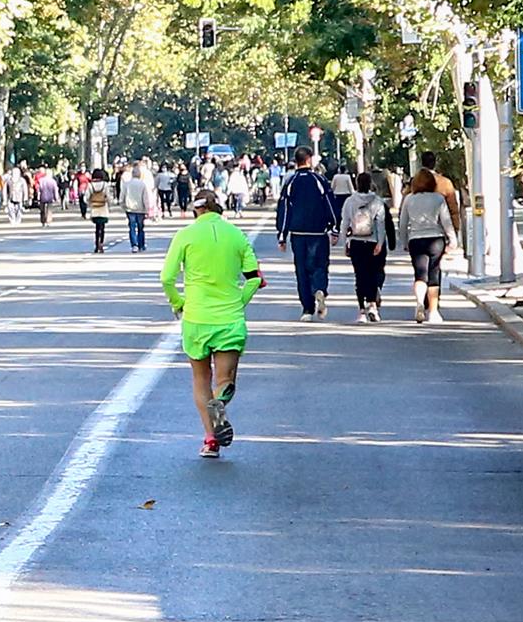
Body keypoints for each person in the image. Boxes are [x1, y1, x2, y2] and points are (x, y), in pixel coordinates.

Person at [160, 190, 265, 460]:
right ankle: (220, 403)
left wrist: (178, 303)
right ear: (218, 208)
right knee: (225, 380)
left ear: (197, 210)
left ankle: (210, 440)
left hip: (196, 319)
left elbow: (167, 278)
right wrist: (239, 302)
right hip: (229, 319)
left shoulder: (185, 235)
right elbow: (254, 278)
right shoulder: (237, 235)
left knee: (200, 378)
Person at [276, 147, 339, 321]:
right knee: (319, 265)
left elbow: (284, 209)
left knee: (302, 270)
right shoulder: (319, 180)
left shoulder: (290, 182)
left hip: (297, 233)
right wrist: (334, 228)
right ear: (309, 160)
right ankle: (319, 289)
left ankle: (307, 309)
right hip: (318, 232)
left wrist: (282, 235)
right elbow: (330, 204)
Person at [398, 169, 457, 323]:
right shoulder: (438, 199)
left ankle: (419, 303)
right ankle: (433, 311)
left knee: (419, 274)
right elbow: (446, 221)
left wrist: (404, 242)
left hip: (416, 240)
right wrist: (453, 239)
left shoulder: (409, 199)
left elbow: (403, 223)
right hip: (436, 240)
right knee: (433, 275)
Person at [340, 172, 395, 322]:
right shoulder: (377, 201)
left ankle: (361, 311)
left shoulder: (350, 202)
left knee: (360, 276)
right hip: (372, 242)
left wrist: (345, 242)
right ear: (370, 184)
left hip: (356, 243)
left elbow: (345, 223)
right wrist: (380, 243)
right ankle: (372, 306)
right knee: (372, 275)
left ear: (357, 184)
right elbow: (381, 224)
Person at [121, 160, 153, 251]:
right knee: (140, 228)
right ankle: (141, 244)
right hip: (141, 209)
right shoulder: (143, 185)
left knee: (132, 227)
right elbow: (145, 198)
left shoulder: (127, 184)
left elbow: (122, 196)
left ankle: (134, 245)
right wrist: (147, 209)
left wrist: (123, 206)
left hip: (130, 209)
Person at [84, 166, 114, 252]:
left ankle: (97, 243)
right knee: (102, 227)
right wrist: (109, 204)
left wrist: (89, 203)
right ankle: (101, 242)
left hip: (94, 208)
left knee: (97, 227)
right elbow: (108, 197)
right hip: (103, 207)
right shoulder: (105, 185)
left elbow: (86, 198)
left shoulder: (90, 185)